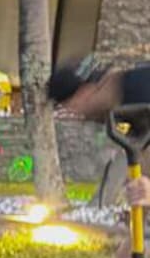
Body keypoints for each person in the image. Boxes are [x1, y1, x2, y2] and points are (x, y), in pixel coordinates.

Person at [48, 57, 150, 209]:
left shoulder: (142, 88)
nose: (76, 113)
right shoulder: (120, 110)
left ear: (84, 91)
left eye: (70, 106)